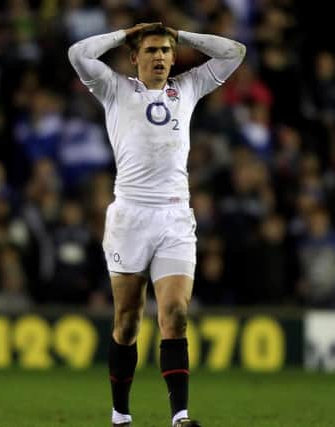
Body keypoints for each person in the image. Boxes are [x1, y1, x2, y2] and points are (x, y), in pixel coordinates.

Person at [68, 22, 245, 427]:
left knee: (175, 314)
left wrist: (183, 35)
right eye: (151, 50)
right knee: (128, 321)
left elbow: (234, 52)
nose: (161, 57)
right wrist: (126, 31)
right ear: (135, 57)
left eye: (166, 50)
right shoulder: (115, 89)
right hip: (130, 216)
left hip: (175, 216)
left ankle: (180, 416)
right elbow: (78, 54)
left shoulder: (187, 88)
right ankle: (120, 414)